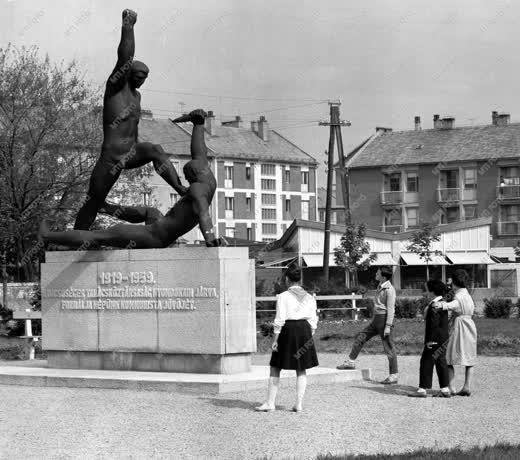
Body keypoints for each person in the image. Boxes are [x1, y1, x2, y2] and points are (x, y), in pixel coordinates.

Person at [39, 109, 224, 249]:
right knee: (150, 211)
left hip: (154, 236)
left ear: (192, 177)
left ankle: (47, 236)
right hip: (160, 224)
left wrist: (210, 238)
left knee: (99, 236)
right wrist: (198, 124)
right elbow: (199, 150)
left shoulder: (197, 190)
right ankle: (107, 208)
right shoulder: (208, 178)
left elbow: (203, 215)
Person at [73, 9, 187, 231]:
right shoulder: (115, 88)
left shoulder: (137, 96)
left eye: (145, 78)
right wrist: (128, 25)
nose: (142, 81)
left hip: (131, 151)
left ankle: (180, 188)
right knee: (93, 201)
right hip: (111, 156)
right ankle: (74, 239)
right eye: (138, 76)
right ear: (127, 74)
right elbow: (125, 57)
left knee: (155, 149)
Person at [256, 266, 318, 412]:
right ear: (300, 280)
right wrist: (310, 334)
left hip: (288, 330)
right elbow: (314, 319)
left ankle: (270, 403)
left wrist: (275, 339)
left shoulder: (283, 296)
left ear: (287, 280)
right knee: (301, 368)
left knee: (276, 365)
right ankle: (299, 404)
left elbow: (279, 319)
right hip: (305, 329)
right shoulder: (309, 296)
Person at [336, 266, 398, 384]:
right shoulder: (380, 286)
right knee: (361, 336)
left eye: (378, 273)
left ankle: (394, 375)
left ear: (383, 276)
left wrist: (388, 326)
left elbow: (391, 309)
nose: (376, 274)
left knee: (388, 347)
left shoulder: (390, 289)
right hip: (377, 319)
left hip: (384, 319)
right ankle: (350, 362)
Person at [433, 269, 477, 397]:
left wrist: (441, 305)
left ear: (455, 282)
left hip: (459, 326)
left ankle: (451, 387)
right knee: (469, 357)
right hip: (470, 324)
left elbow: (455, 304)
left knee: (448, 357)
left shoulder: (458, 295)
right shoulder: (468, 295)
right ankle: (467, 386)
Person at [409, 280, 451, 398]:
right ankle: (445, 389)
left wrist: (429, 340)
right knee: (441, 361)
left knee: (426, 361)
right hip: (443, 338)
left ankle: (422, 389)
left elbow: (433, 325)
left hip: (434, 339)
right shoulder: (442, 303)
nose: (425, 292)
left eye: (426, 289)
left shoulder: (434, 306)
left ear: (432, 291)